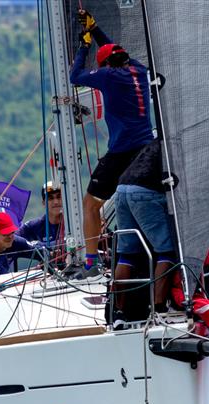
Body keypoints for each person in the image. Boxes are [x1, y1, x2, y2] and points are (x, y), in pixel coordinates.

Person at [70, 9, 155, 274]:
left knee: (90, 204)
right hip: (147, 149)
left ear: (105, 65)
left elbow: (75, 77)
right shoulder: (139, 70)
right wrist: (94, 29)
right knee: (138, 201)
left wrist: (83, 47)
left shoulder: (107, 76)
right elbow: (112, 50)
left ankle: (91, 263)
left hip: (121, 151)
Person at [112, 138, 176, 327]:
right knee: (167, 251)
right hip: (145, 192)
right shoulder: (178, 141)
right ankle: (158, 310)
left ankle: (118, 313)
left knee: (127, 255)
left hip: (121, 190)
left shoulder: (154, 143)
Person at [17, 181, 64, 248]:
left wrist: (40, 245)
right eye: (50, 198)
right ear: (43, 203)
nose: (56, 202)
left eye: (59, 197)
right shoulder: (35, 225)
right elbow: (13, 239)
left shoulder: (74, 222)